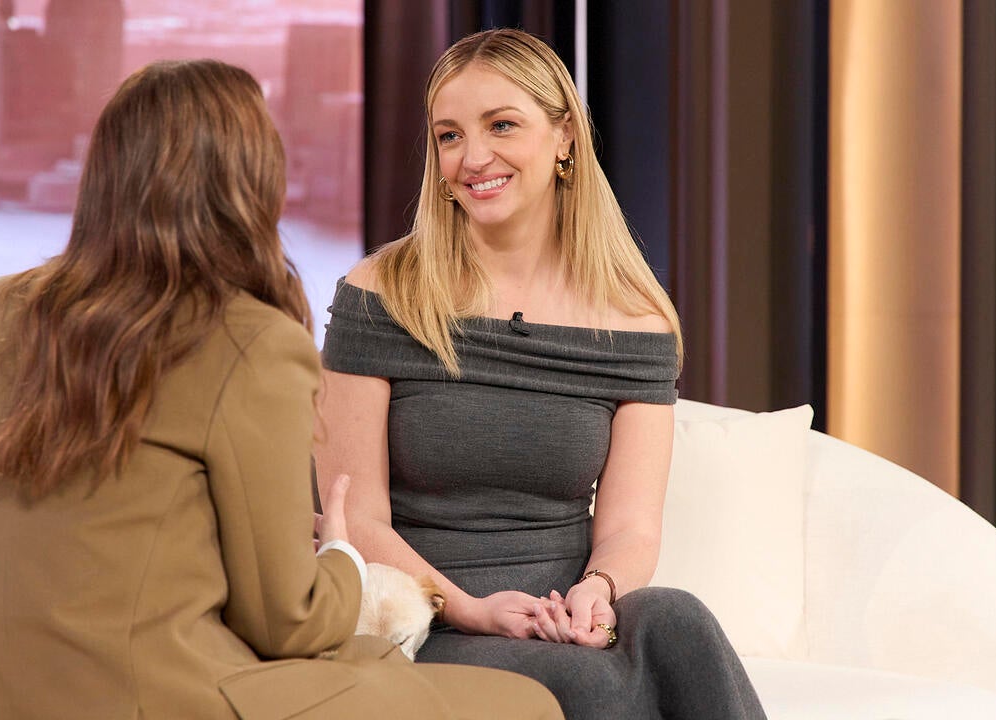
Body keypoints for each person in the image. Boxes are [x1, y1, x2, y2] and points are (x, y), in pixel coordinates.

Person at [0, 59, 562, 720]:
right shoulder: (251, 341)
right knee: (525, 705)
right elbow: (288, 621)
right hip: (163, 703)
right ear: (250, 179)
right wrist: (341, 557)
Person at [316, 29, 767, 720]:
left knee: (679, 621)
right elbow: (355, 518)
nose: (473, 158)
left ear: (564, 137)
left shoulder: (635, 320)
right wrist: (468, 608)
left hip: (561, 612)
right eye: (449, 136)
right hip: (428, 618)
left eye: (501, 125)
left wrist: (598, 591)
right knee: (592, 687)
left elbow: (630, 526)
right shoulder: (382, 294)